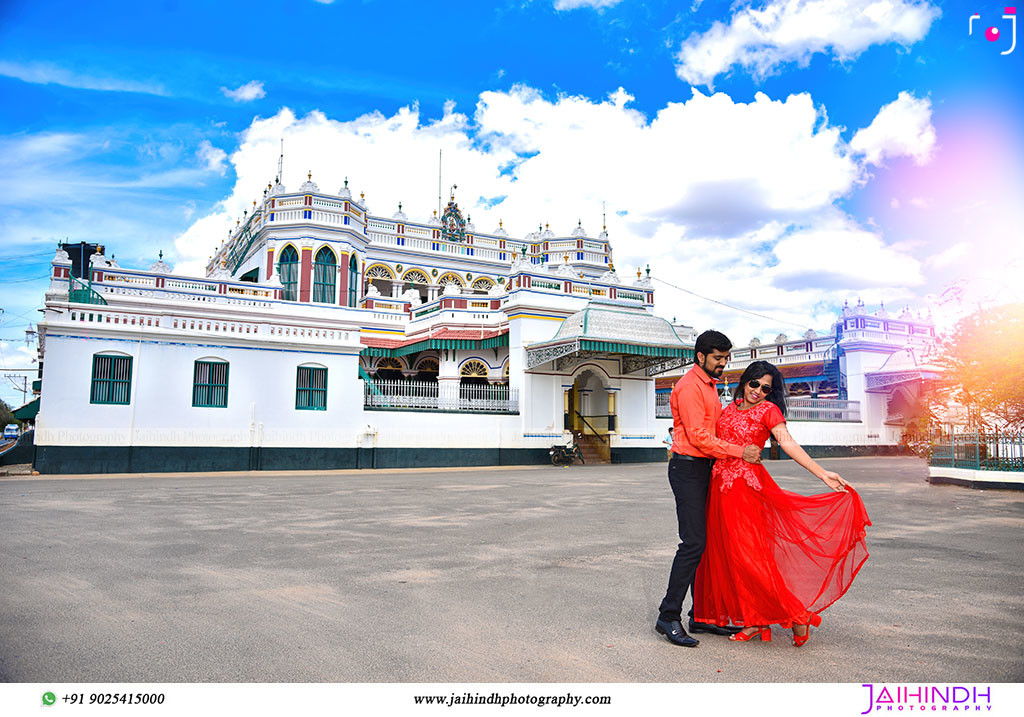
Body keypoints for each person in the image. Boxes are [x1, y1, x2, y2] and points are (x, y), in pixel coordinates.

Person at [694, 360, 871, 646]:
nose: (758, 391)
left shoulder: (769, 410)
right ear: (745, 381)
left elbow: (788, 443)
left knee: (750, 558)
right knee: (731, 558)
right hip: (720, 489)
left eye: (766, 388)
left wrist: (822, 473)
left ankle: (798, 615)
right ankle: (754, 620)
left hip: (746, 489)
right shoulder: (728, 408)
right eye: (754, 384)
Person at [655, 330, 762, 648]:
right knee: (693, 543)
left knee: (707, 544)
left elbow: (715, 428)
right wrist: (739, 451)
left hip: (705, 469)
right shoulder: (690, 387)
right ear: (700, 356)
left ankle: (700, 616)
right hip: (688, 469)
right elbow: (701, 437)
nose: (723, 363)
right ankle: (668, 615)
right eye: (718, 357)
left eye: (726, 357)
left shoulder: (711, 387)